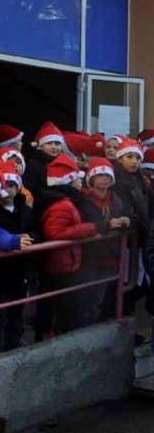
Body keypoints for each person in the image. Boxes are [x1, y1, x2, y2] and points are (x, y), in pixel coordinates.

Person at [35, 154, 98, 334]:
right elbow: (55, 233)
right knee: (63, 305)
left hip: (62, 261)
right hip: (61, 262)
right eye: (78, 179)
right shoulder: (62, 204)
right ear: (69, 181)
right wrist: (90, 228)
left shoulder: (66, 200)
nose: (81, 183)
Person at [0, 159, 35, 356]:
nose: (8, 190)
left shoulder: (25, 209)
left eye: (12, 185)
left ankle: (13, 346)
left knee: (16, 311)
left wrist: (31, 238)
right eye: (4, 186)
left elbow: (36, 230)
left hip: (20, 268)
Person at [77, 157, 130, 319]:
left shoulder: (116, 198)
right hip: (90, 257)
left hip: (112, 255)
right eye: (100, 175)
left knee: (107, 296)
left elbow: (127, 214)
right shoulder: (83, 199)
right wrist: (107, 224)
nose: (104, 178)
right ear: (91, 178)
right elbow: (84, 222)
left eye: (107, 176)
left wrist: (127, 220)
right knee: (88, 298)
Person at [112, 138, 150, 317]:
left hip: (141, 239)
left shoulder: (141, 180)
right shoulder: (116, 181)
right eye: (129, 157)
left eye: (137, 157)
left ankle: (129, 324)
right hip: (127, 242)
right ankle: (125, 323)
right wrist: (132, 221)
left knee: (139, 283)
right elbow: (122, 209)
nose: (134, 161)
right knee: (128, 283)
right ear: (120, 159)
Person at [23, 121, 65, 198]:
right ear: (40, 146)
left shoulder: (65, 164)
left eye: (57, 143)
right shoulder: (34, 166)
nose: (54, 147)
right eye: (49, 143)